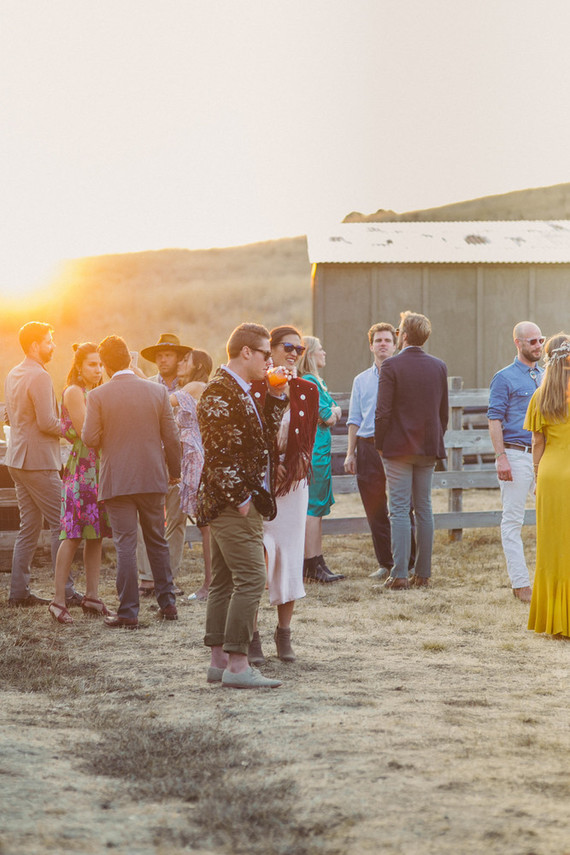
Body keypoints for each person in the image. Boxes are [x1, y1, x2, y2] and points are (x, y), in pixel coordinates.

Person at [197, 323, 287, 689]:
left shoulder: (241, 390)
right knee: (252, 578)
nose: (271, 360)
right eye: (266, 353)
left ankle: (218, 662)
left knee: (222, 582)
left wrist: (277, 397)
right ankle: (238, 665)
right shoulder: (218, 393)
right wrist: (243, 499)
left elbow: (262, 440)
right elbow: (219, 457)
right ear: (246, 352)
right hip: (232, 503)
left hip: (233, 501)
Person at [82, 335, 181, 629]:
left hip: (118, 480)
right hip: (152, 476)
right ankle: (168, 603)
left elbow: (89, 438)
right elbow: (172, 437)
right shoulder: (157, 392)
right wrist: (173, 470)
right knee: (157, 540)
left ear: (108, 366)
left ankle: (127, 611)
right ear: (129, 359)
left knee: (126, 543)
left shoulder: (97, 396)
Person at [252, 326, 319, 663]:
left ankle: (284, 632)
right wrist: (267, 465)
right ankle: (251, 633)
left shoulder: (308, 389)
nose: (294, 353)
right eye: (287, 347)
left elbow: (307, 440)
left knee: (291, 555)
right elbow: (251, 432)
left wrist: (292, 467)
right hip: (259, 481)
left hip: (293, 484)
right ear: (271, 350)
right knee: (257, 557)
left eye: (299, 348)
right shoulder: (255, 386)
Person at [4, 322, 82, 607]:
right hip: (38, 463)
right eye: (49, 341)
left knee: (29, 527)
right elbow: (47, 422)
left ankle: (19, 592)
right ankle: (67, 592)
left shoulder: (14, 373)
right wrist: (75, 431)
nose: (53, 346)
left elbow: (12, 416)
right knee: (64, 525)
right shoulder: (39, 376)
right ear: (35, 345)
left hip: (16, 459)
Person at [375, 311, 448, 590]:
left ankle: (400, 574)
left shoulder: (391, 366)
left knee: (399, 510)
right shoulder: (439, 366)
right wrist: (434, 439)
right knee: (425, 509)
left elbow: (383, 413)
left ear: (403, 335)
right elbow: (443, 414)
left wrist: (380, 444)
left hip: (397, 448)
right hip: (428, 448)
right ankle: (424, 574)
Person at [344, 322, 415, 580]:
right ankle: (386, 563)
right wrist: (351, 453)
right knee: (375, 508)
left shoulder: (405, 375)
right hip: (367, 446)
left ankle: (409, 562)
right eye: (378, 340)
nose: (383, 344)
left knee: (404, 506)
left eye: (387, 340)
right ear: (371, 345)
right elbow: (354, 418)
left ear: (396, 344)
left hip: (397, 447)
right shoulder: (361, 380)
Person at [49, 344, 113, 625]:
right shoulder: (75, 392)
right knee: (73, 534)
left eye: (100, 365)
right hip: (82, 469)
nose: (98, 370)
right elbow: (89, 433)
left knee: (95, 534)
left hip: (99, 468)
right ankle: (57, 601)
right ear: (79, 367)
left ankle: (92, 596)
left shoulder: (98, 392)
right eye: (92, 365)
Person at [488, 321, 545, 603]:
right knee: (513, 520)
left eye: (541, 340)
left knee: (551, 517)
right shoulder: (504, 377)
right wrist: (501, 457)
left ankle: (550, 580)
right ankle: (521, 583)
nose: (538, 346)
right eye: (532, 341)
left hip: (546, 456)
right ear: (518, 343)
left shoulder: (548, 376)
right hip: (515, 453)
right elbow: (494, 418)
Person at [137, 333, 193, 596]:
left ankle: (168, 578)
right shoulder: (146, 385)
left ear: (179, 358)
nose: (161, 359)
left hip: (182, 459)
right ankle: (147, 577)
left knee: (177, 519)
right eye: (158, 355)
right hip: (151, 459)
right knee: (146, 518)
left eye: (167, 355)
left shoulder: (191, 386)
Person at [523, 333, 570, 638]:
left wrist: (537, 476)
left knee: (552, 548)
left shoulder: (540, 396)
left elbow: (537, 441)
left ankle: (555, 621)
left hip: (552, 475)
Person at [297, 336, 344, 583]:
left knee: (318, 508)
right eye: (321, 349)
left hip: (321, 450)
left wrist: (333, 411)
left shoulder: (317, 382)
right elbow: (328, 415)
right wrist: (333, 411)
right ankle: (311, 562)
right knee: (313, 507)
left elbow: (331, 411)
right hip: (315, 451)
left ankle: (317, 560)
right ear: (311, 355)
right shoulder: (309, 382)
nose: (325, 353)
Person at [169, 349, 213, 602]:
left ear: (197, 365)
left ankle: (210, 584)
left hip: (196, 455)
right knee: (205, 524)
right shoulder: (191, 386)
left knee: (206, 524)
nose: (180, 362)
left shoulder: (196, 385)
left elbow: (163, 402)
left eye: (185, 359)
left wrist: (138, 376)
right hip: (189, 455)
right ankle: (211, 582)